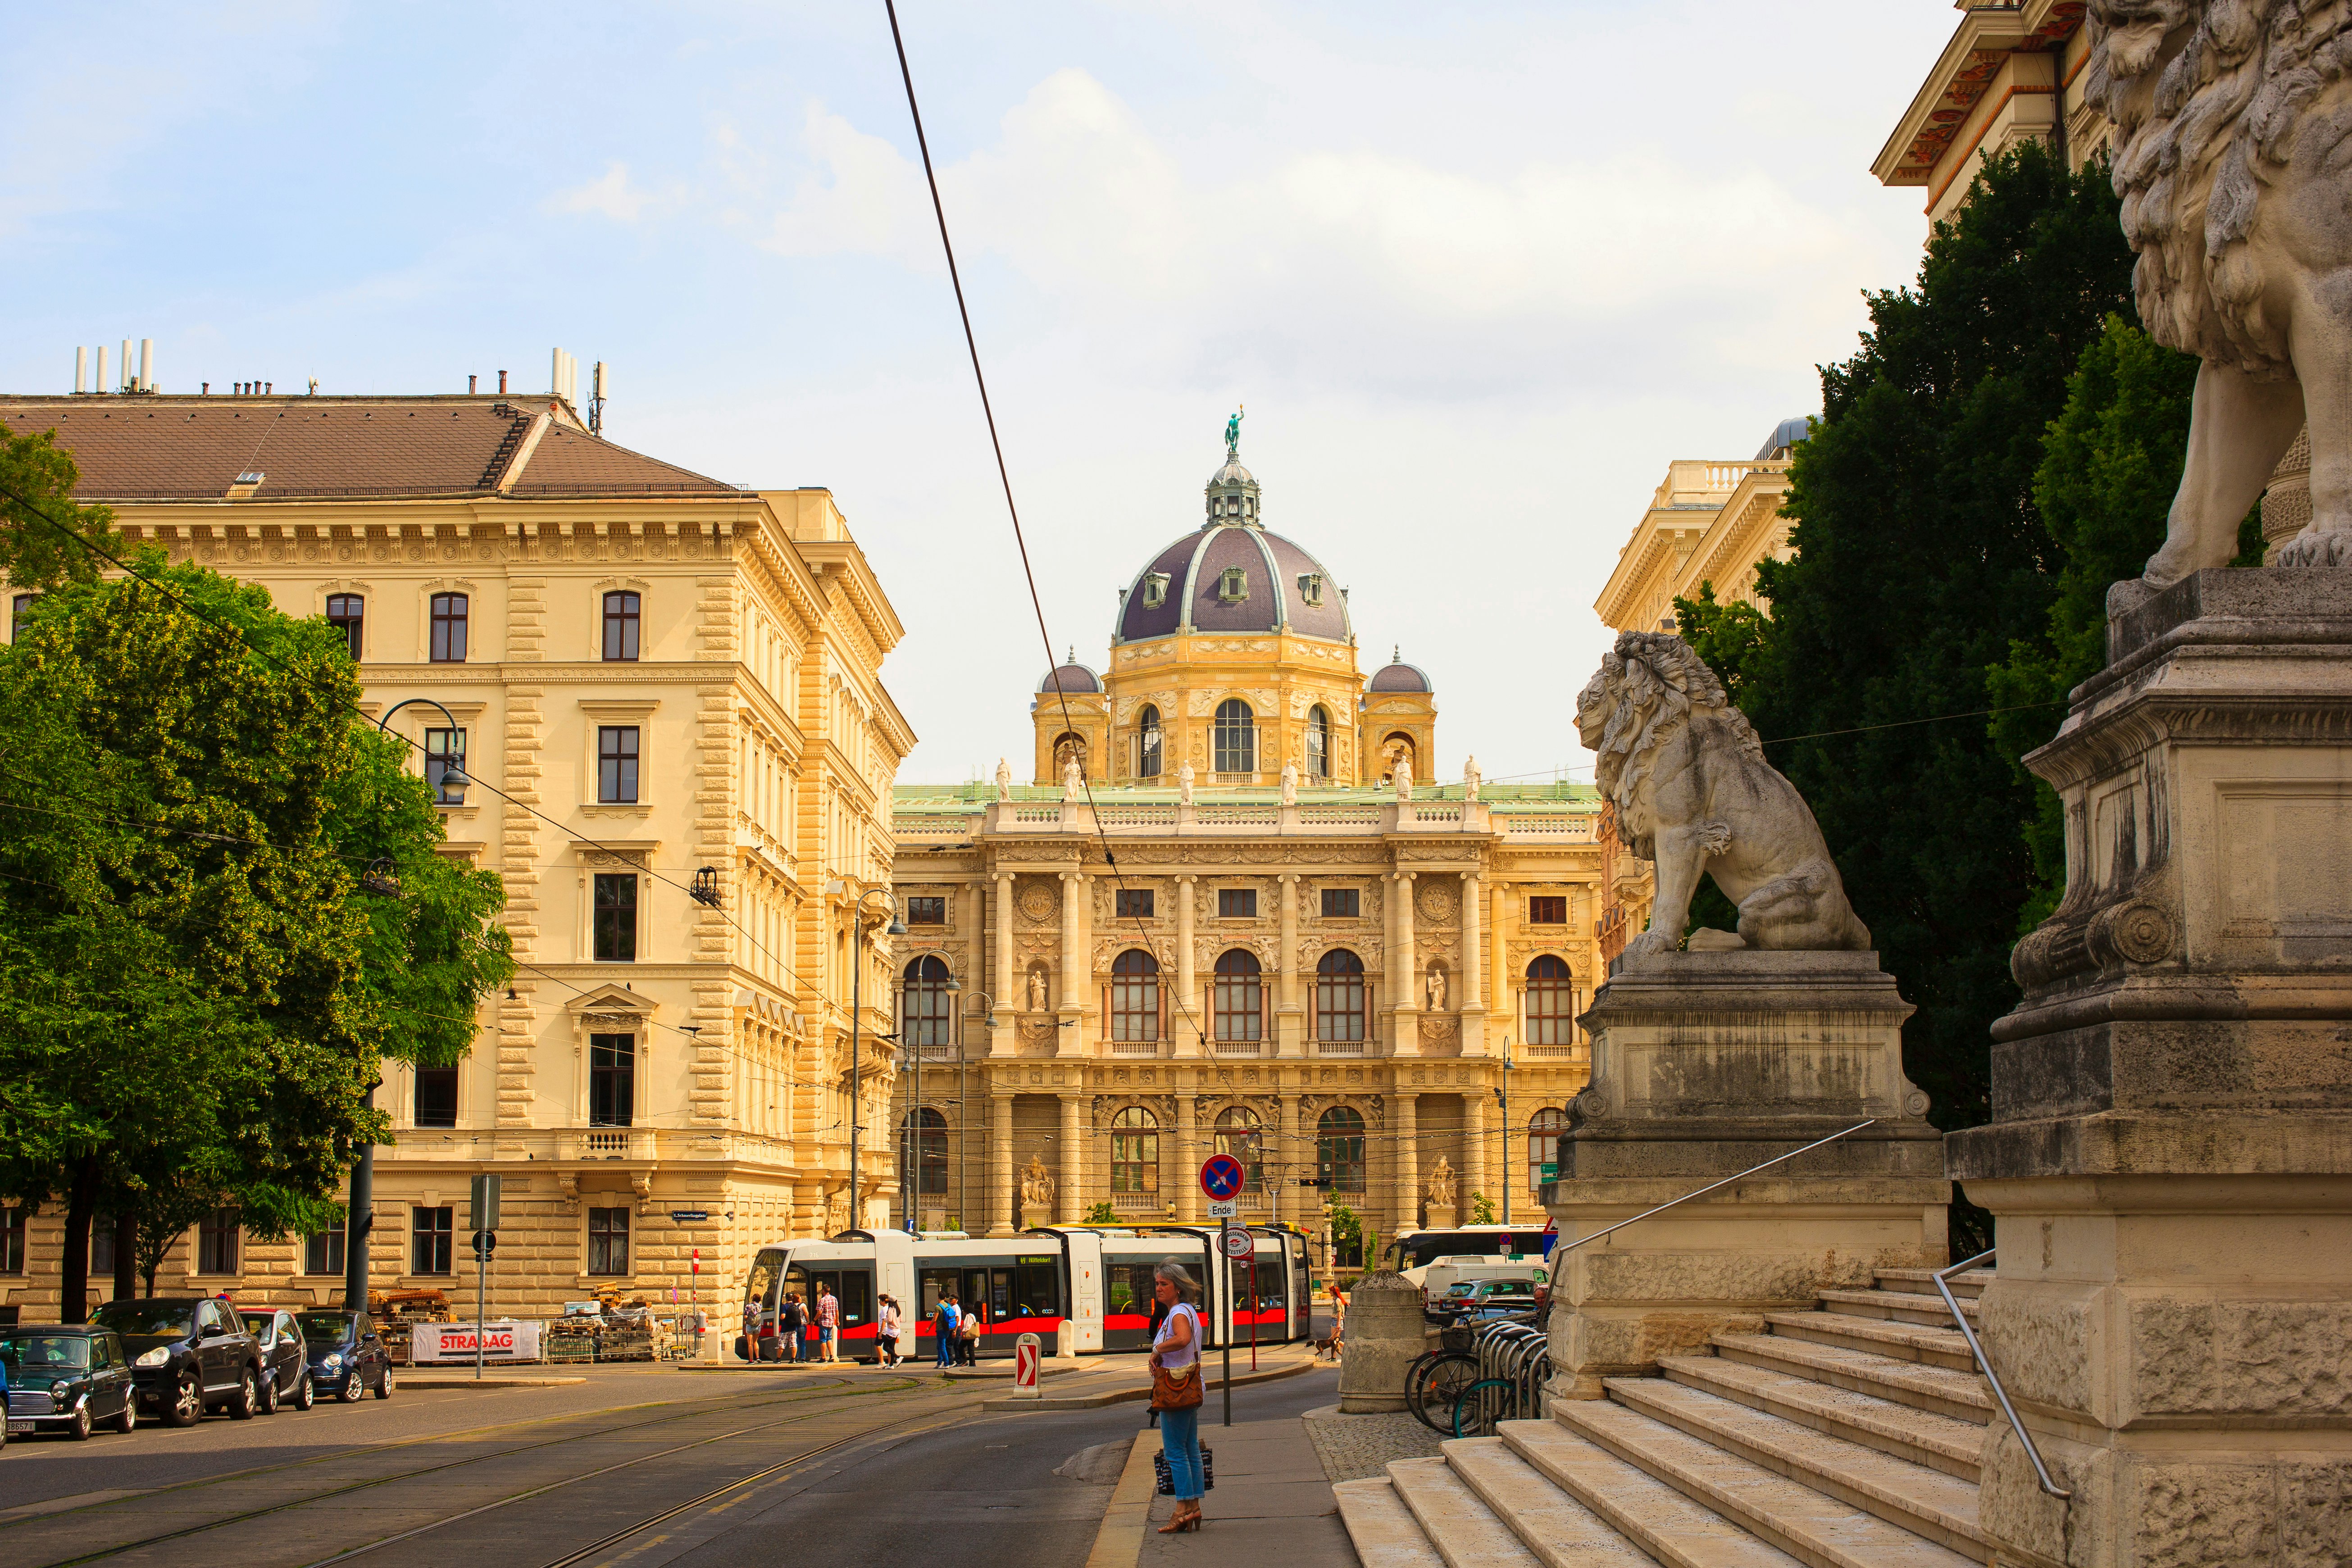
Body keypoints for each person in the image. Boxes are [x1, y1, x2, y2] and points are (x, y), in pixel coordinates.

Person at [1150, 1261, 1206, 1533]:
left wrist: (1157, 1349)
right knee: (1190, 1448)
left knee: (1175, 1451)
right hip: (1189, 1387)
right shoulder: (1187, 1311)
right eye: (1158, 1283)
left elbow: (1182, 1339)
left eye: (1164, 1284)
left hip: (1175, 1391)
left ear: (1178, 1288)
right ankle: (1193, 1506)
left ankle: (1182, 1508)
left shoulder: (1177, 1315)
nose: (1159, 1288)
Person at [777, 1291, 805, 1364]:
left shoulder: (785, 1306)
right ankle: (793, 1359)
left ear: (786, 1298)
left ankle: (778, 1359)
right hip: (794, 1328)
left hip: (785, 1328)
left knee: (782, 1344)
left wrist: (781, 1317)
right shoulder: (796, 1306)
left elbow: (783, 1316)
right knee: (794, 1344)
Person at [935, 1292, 960, 1370]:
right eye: (950, 1300)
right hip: (952, 1328)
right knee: (955, 1346)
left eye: (952, 1300)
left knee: (946, 1346)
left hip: (952, 1329)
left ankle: (949, 1362)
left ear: (956, 1300)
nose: (950, 1301)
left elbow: (957, 1319)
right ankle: (958, 1361)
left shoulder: (954, 1307)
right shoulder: (950, 1306)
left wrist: (954, 1331)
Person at [816, 1284, 840, 1363]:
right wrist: (837, 1320)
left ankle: (823, 1357)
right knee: (829, 1339)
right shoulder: (834, 1299)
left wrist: (814, 1320)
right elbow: (837, 1311)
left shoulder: (822, 1300)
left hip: (823, 1322)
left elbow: (819, 1312)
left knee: (823, 1340)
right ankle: (832, 1356)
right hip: (831, 1322)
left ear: (823, 1291)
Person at [876, 1294, 901, 1366]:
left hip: (892, 1331)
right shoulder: (898, 1309)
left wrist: (885, 1320)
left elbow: (889, 1320)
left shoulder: (891, 1309)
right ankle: (891, 1365)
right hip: (898, 1330)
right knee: (892, 1347)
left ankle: (898, 1357)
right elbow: (901, 1319)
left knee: (885, 1347)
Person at [958, 1300, 983, 1366]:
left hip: (969, 1335)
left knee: (960, 1347)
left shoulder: (968, 1316)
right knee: (971, 1349)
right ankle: (972, 1363)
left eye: (964, 1310)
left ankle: (964, 1361)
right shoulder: (973, 1315)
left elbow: (968, 1327)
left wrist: (963, 1332)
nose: (963, 1311)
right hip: (973, 1336)